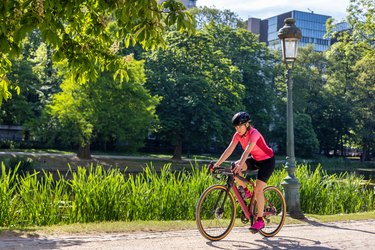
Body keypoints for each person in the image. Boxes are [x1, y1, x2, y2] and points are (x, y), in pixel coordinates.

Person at [213, 111, 275, 233]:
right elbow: (229, 149)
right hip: (256, 160)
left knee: (258, 189)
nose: (237, 129)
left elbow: (247, 151)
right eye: (236, 127)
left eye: (239, 126)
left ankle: (260, 220)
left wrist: (241, 164)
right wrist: (217, 164)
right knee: (234, 166)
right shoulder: (237, 135)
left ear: (246, 124)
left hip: (267, 161)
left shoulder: (254, 133)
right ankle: (245, 191)